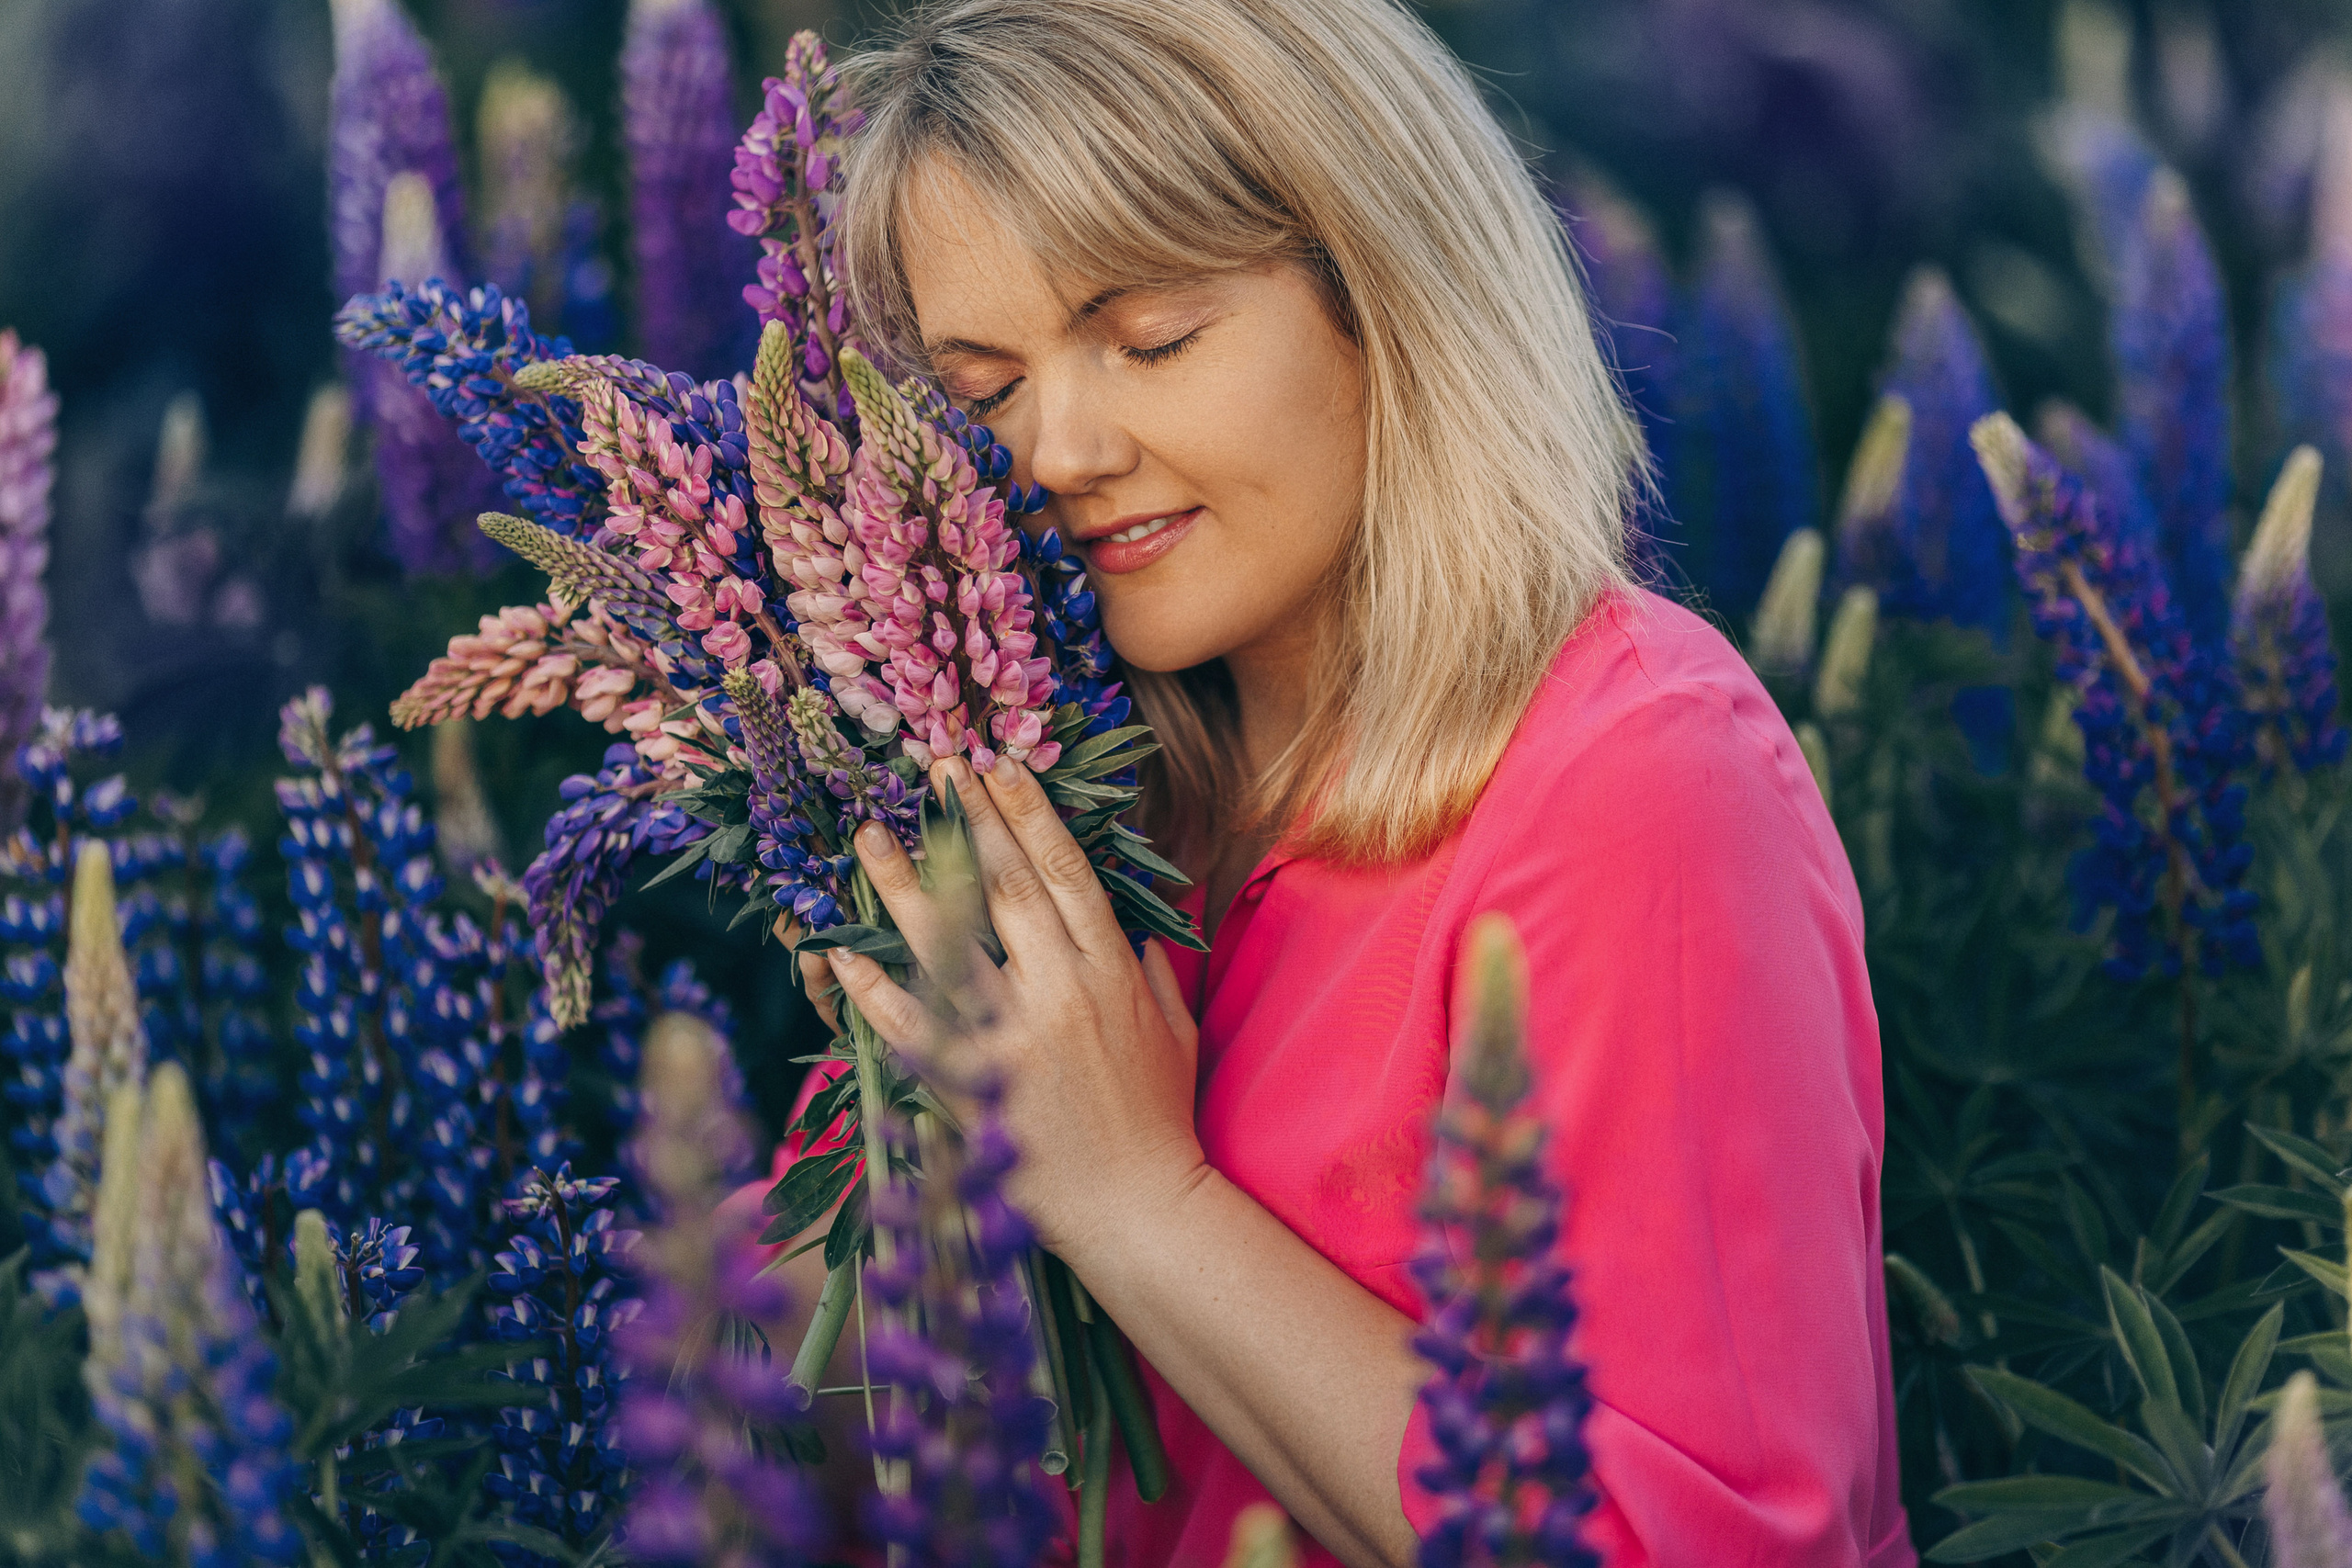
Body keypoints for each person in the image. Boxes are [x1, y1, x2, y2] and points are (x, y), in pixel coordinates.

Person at [766, 1, 1914, 1563]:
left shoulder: (1636, 777)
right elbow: (806, 1407)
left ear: (1385, 292)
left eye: (1151, 338)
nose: (1062, 449)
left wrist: (1136, 1197)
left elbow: (1711, 1540)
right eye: (984, 392)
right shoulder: (1062, 784)